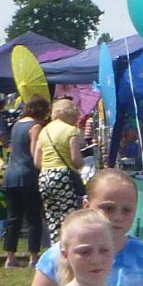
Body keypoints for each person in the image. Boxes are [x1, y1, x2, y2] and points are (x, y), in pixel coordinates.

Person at [0, 99, 46, 269]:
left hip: (11, 175)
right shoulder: (35, 127)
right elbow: (35, 153)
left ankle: (10, 257)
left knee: (14, 218)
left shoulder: (17, 125)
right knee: (34, 218)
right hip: (28, 175)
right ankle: (33, 256)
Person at [36, 98, 88, 246]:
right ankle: (69, 247)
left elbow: (37, 160)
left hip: (45, 176)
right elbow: (75, 159)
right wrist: (83, 164)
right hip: (63, 176)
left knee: (52, 216)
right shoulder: (71, 131)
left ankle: (55, 248)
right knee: (68, 216)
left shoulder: (43, 131)